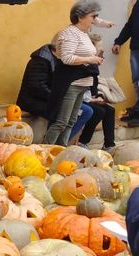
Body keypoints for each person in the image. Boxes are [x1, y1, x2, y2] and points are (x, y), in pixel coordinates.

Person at [43, 0, 105, 145]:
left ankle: (61, 150)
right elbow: (66, 58)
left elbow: (83, 55)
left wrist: (94, 59)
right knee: (61, 121)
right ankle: (44, 150)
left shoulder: (83, 33)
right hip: (71, 84)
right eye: (93, 16)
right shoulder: (70, 33)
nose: (95, 20)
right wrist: (90, 59)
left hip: (82, 84)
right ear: (80, 16)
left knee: (71, 121)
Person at [71, 33, 118, 151]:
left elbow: (92, 86)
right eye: (99, 46)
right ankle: (83, 142)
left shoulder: (93, 63)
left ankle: (109, 145)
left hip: (87, 97)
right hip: (77, 98)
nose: (102, 49)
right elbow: (79, 88)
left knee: (110, 110)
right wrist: (93, 100)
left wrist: (98, 96)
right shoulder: (84, 63)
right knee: (98, 111)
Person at [113, 0, 139, 124]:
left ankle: (137, 112)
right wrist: (119, 41)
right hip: (135, 48)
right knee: (137, 81)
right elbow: (130, 25)